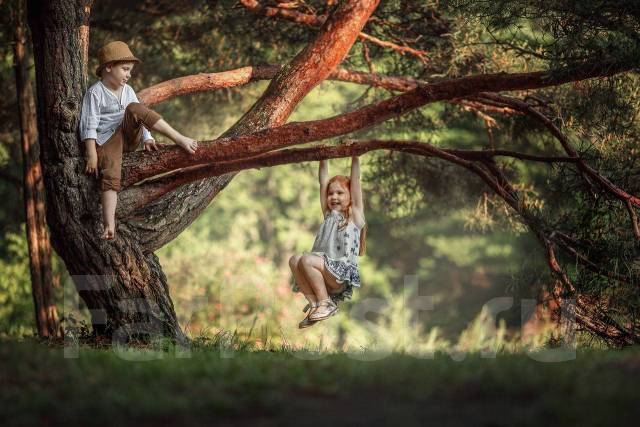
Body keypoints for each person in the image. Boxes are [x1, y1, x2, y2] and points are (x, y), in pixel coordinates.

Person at [79, 41, 198, 240]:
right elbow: (88, 124)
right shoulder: (95, 93)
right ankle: (109, 223)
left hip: (128, 138)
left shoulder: (128, 91)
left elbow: (140, 117)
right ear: (108, 67)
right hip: (106, 141)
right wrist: (91, 153)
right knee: (110, 175)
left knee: (135, 107)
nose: (129, 74)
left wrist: (147, 137)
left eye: (130, 70)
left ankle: (179, 137)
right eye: (125, 69)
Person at [289, 156, 367, 329]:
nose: (333, 197)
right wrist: (323, 158)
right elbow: (323, 182)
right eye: (331, 193)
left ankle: (326, 303)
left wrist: (355, 156)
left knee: (306, 259)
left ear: (350, 197)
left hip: (339, 274)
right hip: (323, 272)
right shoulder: (328, 214)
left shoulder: (354, 215)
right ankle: (316, 305)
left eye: (340, 193)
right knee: (295, 259)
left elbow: (355, 181)